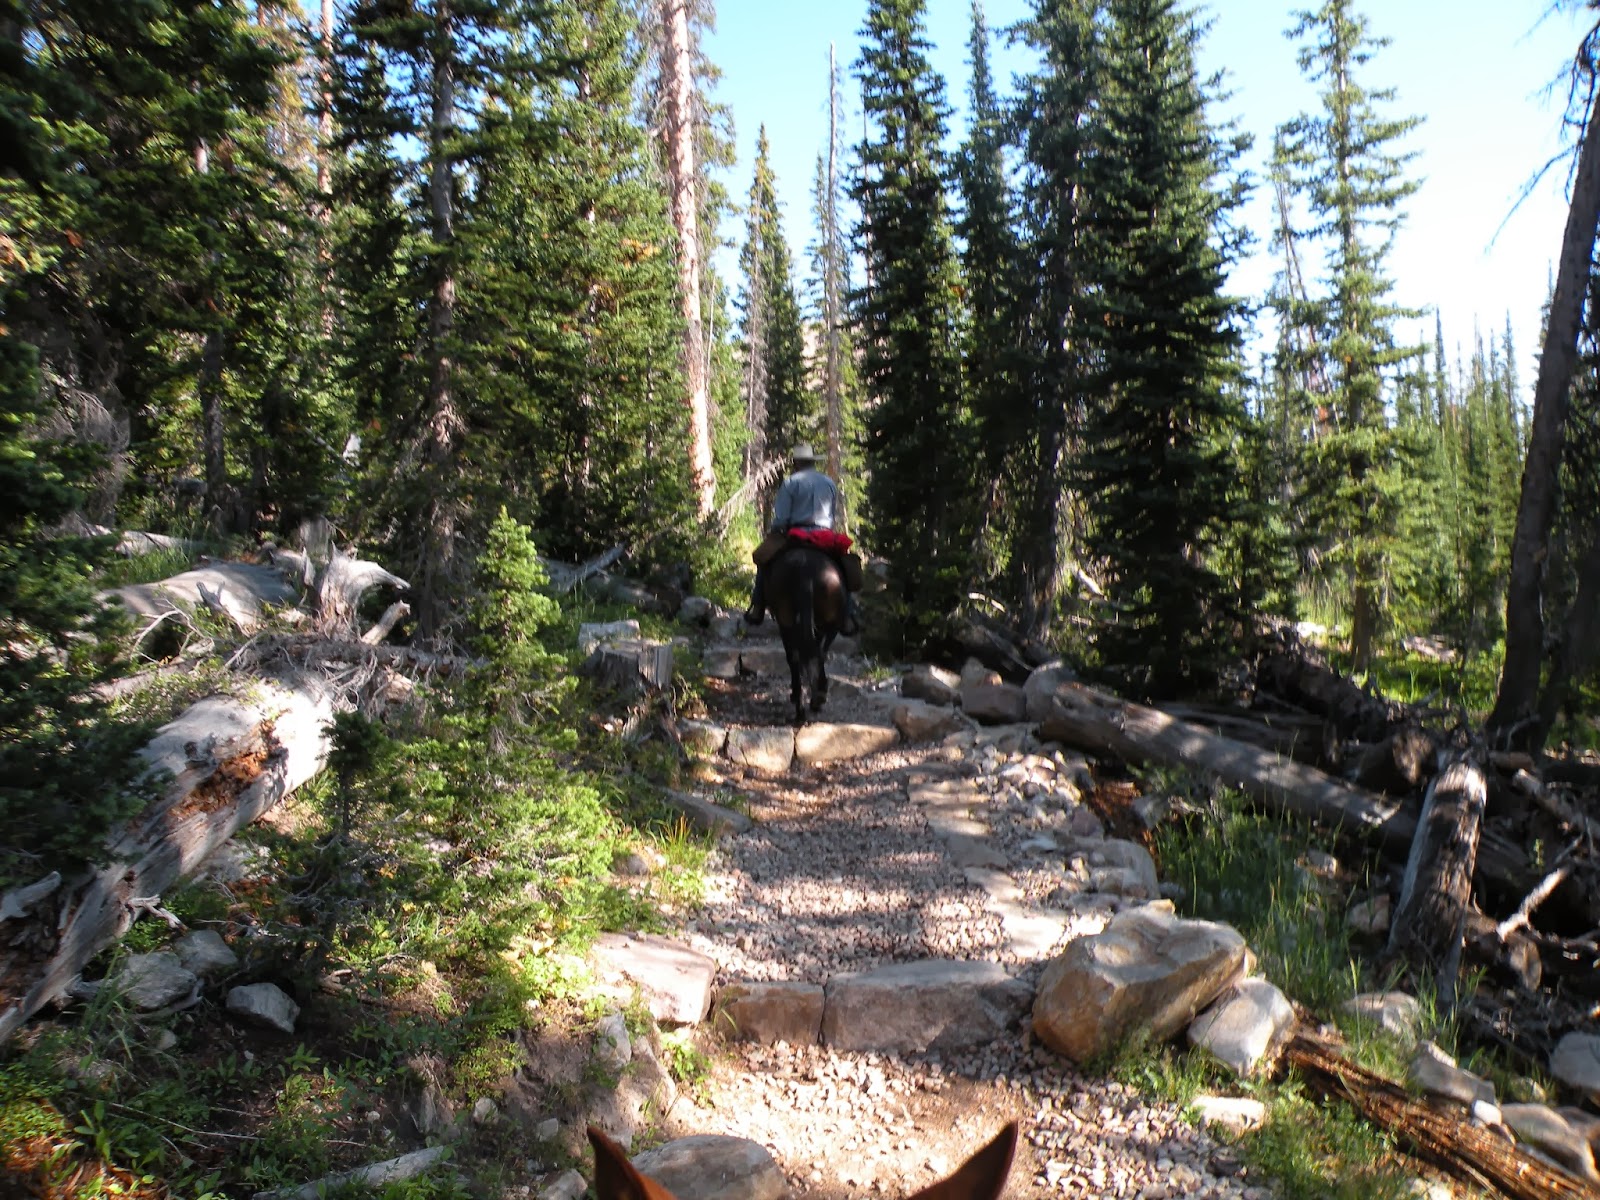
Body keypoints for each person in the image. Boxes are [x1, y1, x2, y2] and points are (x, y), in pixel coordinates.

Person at [744, 443, 864, 634]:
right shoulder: (829, 483)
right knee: (842, 565)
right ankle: (848, 614)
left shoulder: (791, 482)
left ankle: (757, 606)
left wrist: (776, 530)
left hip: (796, 534)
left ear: (796, 463)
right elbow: (832, 515)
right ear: (812, 462)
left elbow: (782, 518)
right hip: (824, 535)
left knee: (764, 559)